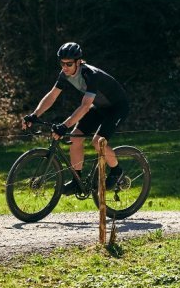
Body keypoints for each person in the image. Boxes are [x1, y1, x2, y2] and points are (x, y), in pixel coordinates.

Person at [23, 42, 129, 194]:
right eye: (62, 63)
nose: (65, 67)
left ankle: (116, 171)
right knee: (75, 137)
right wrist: (34, 115)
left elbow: (85, 106)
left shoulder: (91, 75)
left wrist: (64, 125)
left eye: (69, 64)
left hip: (117, 107)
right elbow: (52, 96)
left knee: (97, 142)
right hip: (100, 107)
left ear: (79, 62)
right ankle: (76, 181)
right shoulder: (64, 74)